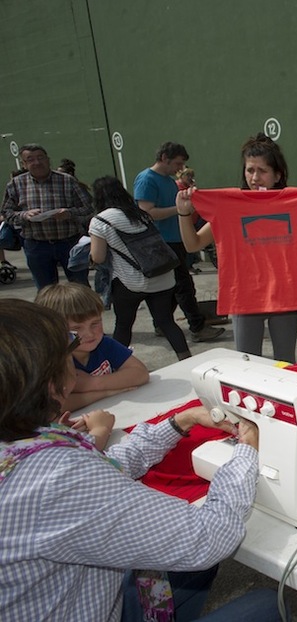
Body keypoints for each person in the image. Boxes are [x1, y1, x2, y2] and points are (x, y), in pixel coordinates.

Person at [0, 298, 279, 621]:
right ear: (53, 383)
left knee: (186, 571)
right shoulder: (57, 478)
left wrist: (180, 422)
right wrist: (246, 450)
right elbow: (211, 536)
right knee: (267, 605)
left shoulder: (26, 444)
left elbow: (105, 467)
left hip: (67, 595)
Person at [176, 133, 297, 363]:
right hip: (245, 296)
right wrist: (183, 212)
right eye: (250, 170)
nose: (255, 177)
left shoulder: (295, 204)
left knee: (284, 366)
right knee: (248, 369)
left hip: (285, 297)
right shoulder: (232, 207)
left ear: (277, 174)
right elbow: (193, 244)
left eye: (262, 171)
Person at [89, 176, 193, 361]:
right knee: (167, 322)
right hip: (162, 277)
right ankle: (186, 360)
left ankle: (116, 364)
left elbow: (98, 257)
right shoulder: (139, 214)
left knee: (123, 325)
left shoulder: (100, 221)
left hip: (130, 282)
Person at [134, 142, 224, 343]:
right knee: (184, 287)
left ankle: (161, 324)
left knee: (174, 288)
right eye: (178, 163)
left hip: (176, 241)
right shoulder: (147, 179)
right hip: (162, 244)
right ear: (164, 158)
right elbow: (147, 212)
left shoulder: (167, 180)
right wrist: (180, 210)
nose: (180, 169)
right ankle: (197, 327)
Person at [35, 282, 150, 412]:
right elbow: (53, 406)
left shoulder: (104, 344)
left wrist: (90, 384)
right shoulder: (51, 360)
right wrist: (105, 392)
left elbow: (141, 373)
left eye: (95, 323)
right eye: (76, 328)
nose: (89, 334)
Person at [1, 144, 93, 289]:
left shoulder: (67, 180)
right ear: (24, 164)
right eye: (30, 160)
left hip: (69, 243)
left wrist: (69, 213)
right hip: (36, 246)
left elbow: (88, 209)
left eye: (40, 158)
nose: (37, 162)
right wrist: (25, 215)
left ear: (48, 159)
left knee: (80, 288)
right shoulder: (15, 184)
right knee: (45, 291)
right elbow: (6, 213)